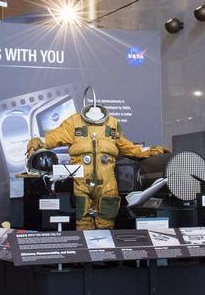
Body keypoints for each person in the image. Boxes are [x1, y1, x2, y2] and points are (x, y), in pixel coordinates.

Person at [25, 88, 167, 229]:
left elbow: (129, 148)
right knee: (81, 222)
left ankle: (105, 250)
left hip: (107, 183)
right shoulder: (74, 122)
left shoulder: (112, 123)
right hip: (80, 182)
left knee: (106, 222)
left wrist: (152, 151)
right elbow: (53, 137)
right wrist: (38, 142)